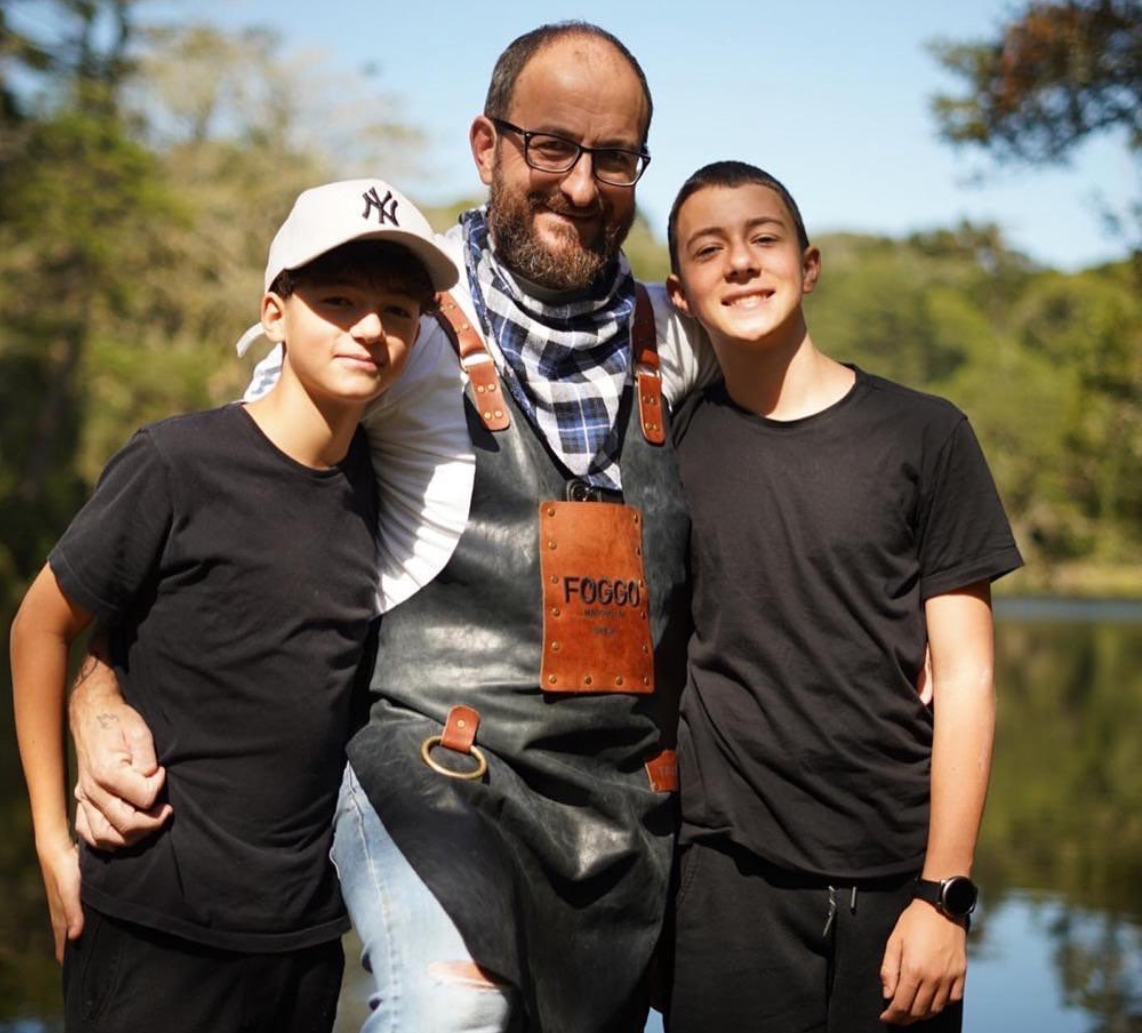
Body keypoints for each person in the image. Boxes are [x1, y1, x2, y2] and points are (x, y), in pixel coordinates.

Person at [65, 22, 716, 1033]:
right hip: (432, 766)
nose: (582, 186)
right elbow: (231, 517)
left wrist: (910, 626)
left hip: (617, 815)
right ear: (486, 145)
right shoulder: (391, 308)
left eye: (615, 158)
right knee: (448, 1013)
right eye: (551, 146)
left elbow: (793, 487)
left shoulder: (678, 341)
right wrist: (96, 686)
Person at [10, 178, 460, 1033]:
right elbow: (40, 623)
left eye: (398, 311)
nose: (370, 328)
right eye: (337, 301)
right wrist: (48, 838)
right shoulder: (177, 463)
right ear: (275, 311)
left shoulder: (388, 496)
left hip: (298, 942)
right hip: (155, 925)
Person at [662, 160, 1024, 1032]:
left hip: (901, 883)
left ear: (809, 265)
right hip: (724, 882)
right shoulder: (667, 445)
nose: (740, 263)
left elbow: (968, 678)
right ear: (681, 294)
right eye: (710, 250)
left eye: (763, 239)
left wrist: (945, 894)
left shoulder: (924, 433)